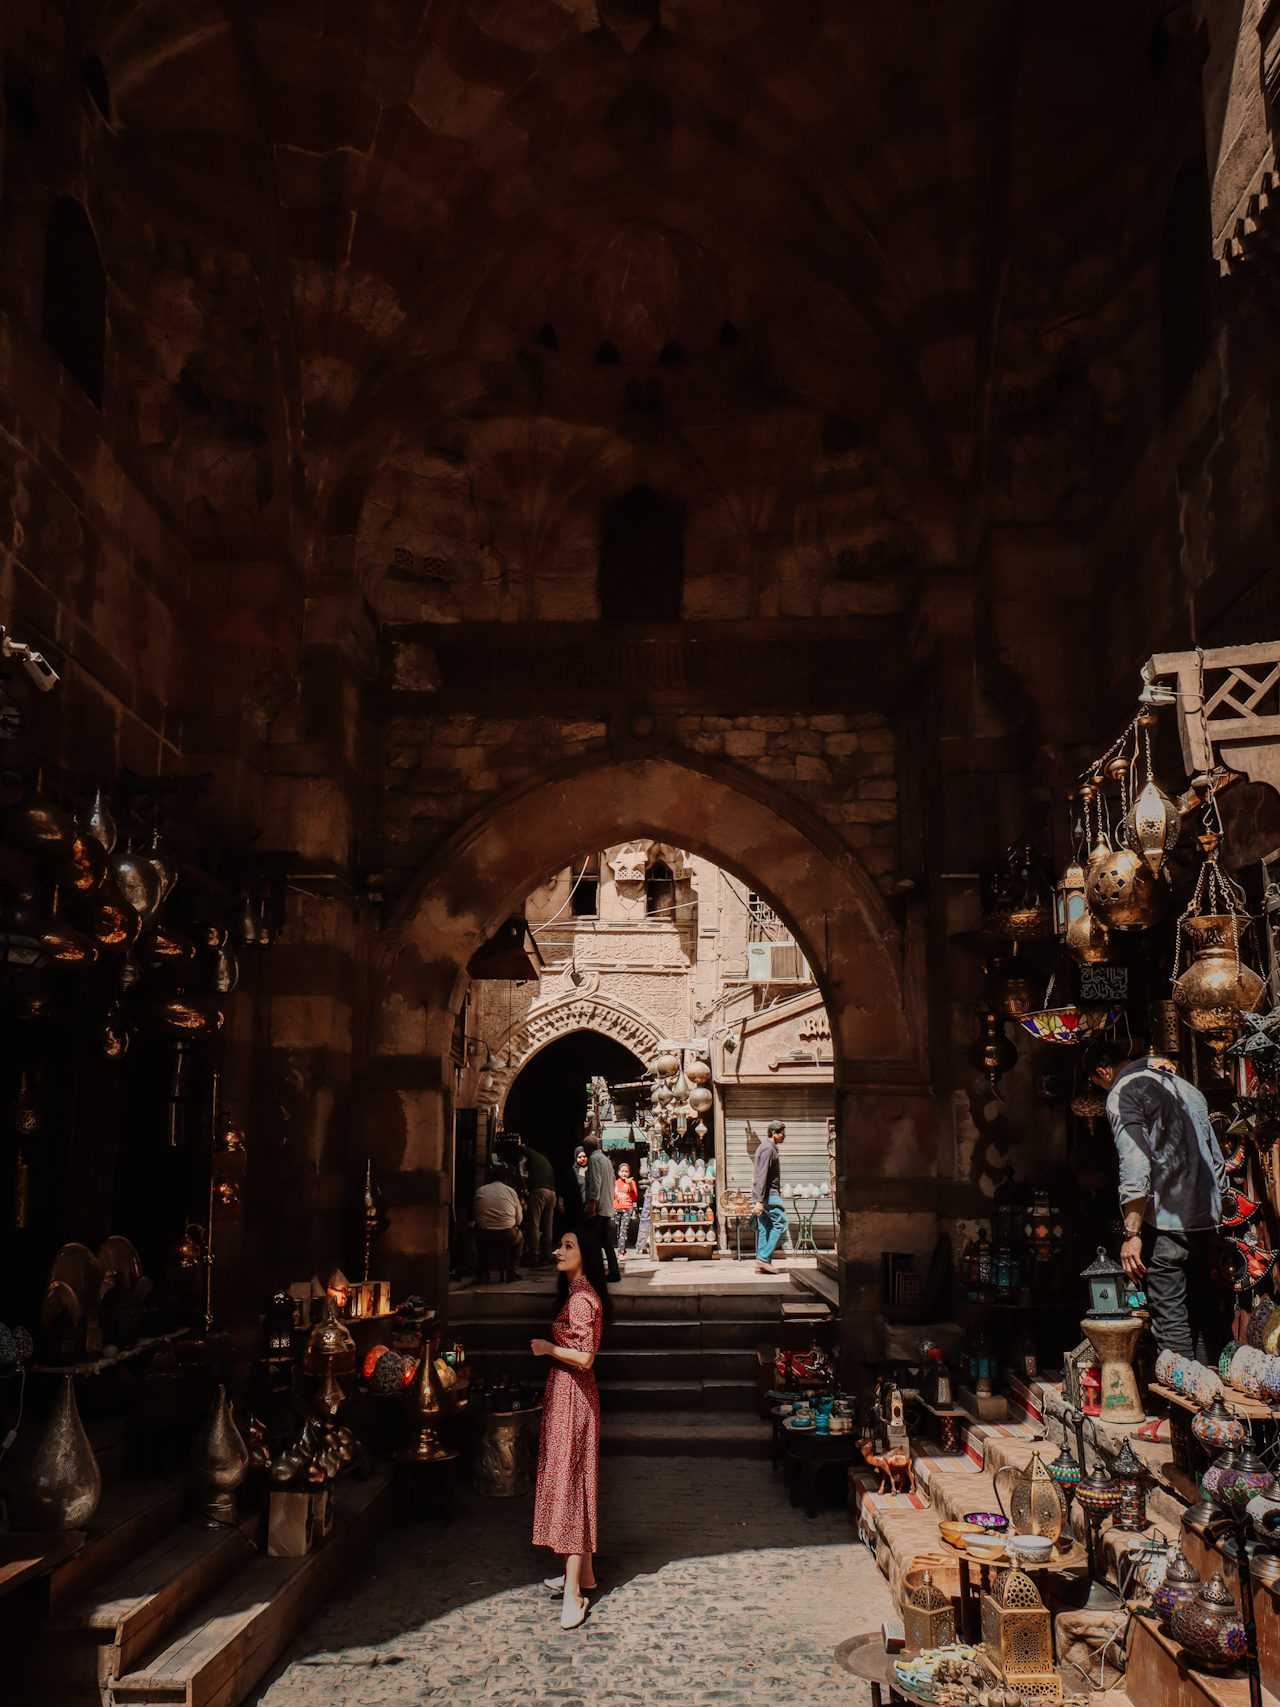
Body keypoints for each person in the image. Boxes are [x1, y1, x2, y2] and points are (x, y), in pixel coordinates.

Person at [1085, 1039, 1228, 1360]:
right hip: (1206, 1222)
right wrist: (1217, 1222)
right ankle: (1207, 1403)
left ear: (1101, 1072)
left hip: (1168, 1224)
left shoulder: (1123, 1093)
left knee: (1172, 1321)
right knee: (1202, 1316)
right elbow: (1217, 1161)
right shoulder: (1184, 1087)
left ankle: (1181, 1405)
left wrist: (1132, 1234)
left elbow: (1135, 1164)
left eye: (1096, 1084)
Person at [531, 1225, 610, 1629]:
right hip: (569, 1396)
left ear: (585, 1254)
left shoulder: (582, 1300)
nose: (558, 1251)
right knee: (575, 1478)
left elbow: (584, 1358)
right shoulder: (579, 1295)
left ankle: (574, 1594)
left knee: (571, 1484)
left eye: (568, 1246)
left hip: (574, 1396)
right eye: (559, 1245)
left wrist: (547, 1348)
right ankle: (585, 1573)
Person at [472, 1167, 524, 1283]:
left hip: (484, 1234)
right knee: (519, 1239)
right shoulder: (510, 1191)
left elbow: (476, 1213)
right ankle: (512, 1271)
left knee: (477, 1235)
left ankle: (483, 1268)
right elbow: (519, 1218)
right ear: (505, 1179)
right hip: (507, 1233)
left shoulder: (481, 1190)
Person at [751, 1119, 788, 1274]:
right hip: (769, 1196)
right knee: (781, 1225)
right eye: (782, 1133)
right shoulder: (768, 1149)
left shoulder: (768, 1147)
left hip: (765, 1196)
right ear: (774, 1133)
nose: (784, 1136)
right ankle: (764, 1258)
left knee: (766, 1227)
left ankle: (761, 1265)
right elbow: (761, 1175)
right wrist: (759, 1200)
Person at [583, 1135, 621, 1283]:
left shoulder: (593, 1159)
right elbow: (611, 1182)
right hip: (607, 1206)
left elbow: (595, 1183)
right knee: (606, 1243)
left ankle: (594, 1273)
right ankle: (614, 1272)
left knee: (592, 1242)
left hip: (598, 1208)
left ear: (586, 1148)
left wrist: (592, 1204)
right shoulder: (605, 1159)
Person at [519, 1142, 558, 1266]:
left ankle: (534, 1255)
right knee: (548, 1225)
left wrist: (520, 1145)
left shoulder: (534, 1156)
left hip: (539, 1191)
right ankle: (546, 1255)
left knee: (534, 1223)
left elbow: (524, 1149)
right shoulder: (546, 1165)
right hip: (552, 1193)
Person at [613, 1161, 638, 1265]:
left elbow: (635, 1196)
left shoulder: (631, 1183)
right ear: (618, 1172)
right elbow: (612, 1195)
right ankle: (621, 1249)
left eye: (626, 1171)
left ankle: (621, 1252)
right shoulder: (615, 1183)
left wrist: (631, 1188)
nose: (624, 1173)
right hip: (617, 1208)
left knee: (623, 1230)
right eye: (622, 1171)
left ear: (629, 1173)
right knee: (618, 1230)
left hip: (627, 1208)